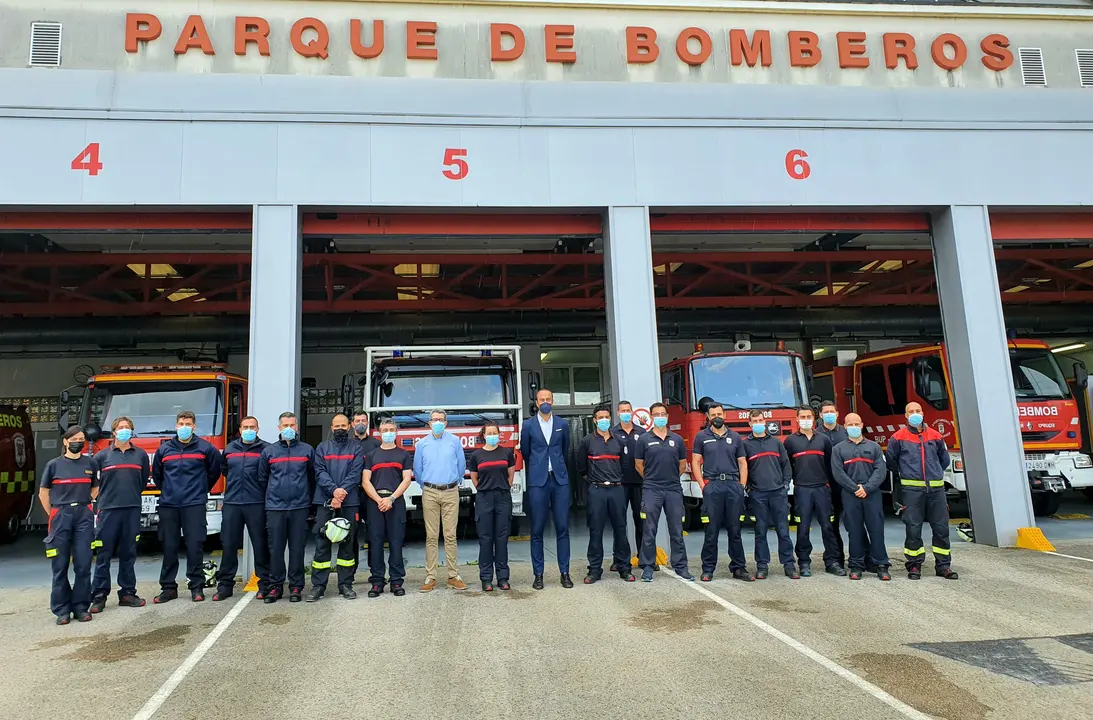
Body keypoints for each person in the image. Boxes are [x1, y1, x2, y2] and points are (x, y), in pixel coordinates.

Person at [151, 410, 223, 603]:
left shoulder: (206, 448)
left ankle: (196, 586)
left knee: (195, 546)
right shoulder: (164, 450)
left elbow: (214, 472)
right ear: (176, 426)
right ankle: (168, 587)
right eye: (181, 423)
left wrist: (200, 490)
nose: (184, 427)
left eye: (188, 423)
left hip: (194, 504)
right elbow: (158, 476)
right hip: (169, 504)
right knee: (169, 546)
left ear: (194, 426)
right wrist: (168, 491)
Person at [886, 402, 958, 581]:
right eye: (911, 411)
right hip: (911, 491)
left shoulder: (935, 435)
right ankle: (914, 565)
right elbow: (891, 462)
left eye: (917, 411)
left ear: (923, 413)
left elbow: (944, 460)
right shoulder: (898, 438)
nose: (915, 414)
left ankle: (943, 566)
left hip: (936, 490)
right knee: (913, 528)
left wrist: (933, 474)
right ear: (905, 415)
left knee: (941, 528)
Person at [89, 416, 150, 613]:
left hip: (131, 509)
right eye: (120, 427)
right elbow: (92, 483)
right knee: (103, 554)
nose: (124, 430)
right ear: (114, 432)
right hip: (107, 510)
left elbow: (141, 482)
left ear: (132, 432)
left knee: (128, 553)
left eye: (128, 427)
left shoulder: (140, 455)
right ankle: (99, 596)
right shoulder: (101, 457)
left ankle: (127, 593)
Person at [691, 402, 752, 582]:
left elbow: (742, 462)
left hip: (733, 486)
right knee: (711, 530)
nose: (717, 416)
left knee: (735, 530)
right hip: (713, 486)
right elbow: (695, 461)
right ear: (708, 417)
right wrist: (703, 485)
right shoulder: (701, 436)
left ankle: (739, 568)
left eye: (719, 413)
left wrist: (741, 485)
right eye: (713, 414)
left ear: (724, 415)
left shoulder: (735, 437)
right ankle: (708, 569)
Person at [41, 426, 96, 625]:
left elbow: (95, 486)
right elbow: (43, 493)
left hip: (83, 515)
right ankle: (62, 610)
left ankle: (81, 607)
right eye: (74, 438)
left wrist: (86, 502)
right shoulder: (53, 465)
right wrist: (55, 514)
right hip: (60, 515)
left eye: (81, 439)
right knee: (60, 565)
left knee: (83, 564)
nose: (78, 442)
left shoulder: (90, 463)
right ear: (65, 442)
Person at [259, 411, 316, 603]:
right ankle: (275, 586)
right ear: (279, 428)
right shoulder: (269, 451)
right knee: (275, 548)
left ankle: (296, 586)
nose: (289, 429)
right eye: (285, 426)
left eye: (292, 425)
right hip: (275, 507)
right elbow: (262, 478)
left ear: (297, 427)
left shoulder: (307, 450)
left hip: (299, 507)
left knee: (297, 548)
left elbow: (312, 477)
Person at [308, 413, 365, 602]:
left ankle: (345, 585)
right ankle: (318, 586)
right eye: (336, 426)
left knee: (348, 543)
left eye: (343, 425)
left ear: (349, 427)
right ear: (331, 428)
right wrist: (334, 492)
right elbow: (319, 472)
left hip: (349, 501)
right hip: (325, 500)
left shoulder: (356, 447)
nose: (340, 428)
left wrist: (340, 493)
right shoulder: (322, 448)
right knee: (322, 542)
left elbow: (355, 473)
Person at [783, 407, 846, 577]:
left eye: (808, 416)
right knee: (803, 527)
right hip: (802, 489)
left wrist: (832, 489)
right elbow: (786, 466)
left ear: (814, 418)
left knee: (828, 526)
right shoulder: (790, 441)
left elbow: (830, 466)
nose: (806, 419)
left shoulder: (823, 440)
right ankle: (804, 562)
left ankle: (832, 561)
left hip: (822, 489)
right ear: (797, 419)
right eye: (802, 417)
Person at [520, 389, 572, 590]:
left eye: (548, 399)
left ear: (553, 400)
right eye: (541, 399)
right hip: (538, 481)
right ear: (536, 401)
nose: (545, 402)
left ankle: (565, 573)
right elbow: (526, 452)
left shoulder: (562, 424)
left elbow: (565, 450)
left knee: (562, 528)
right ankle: (538, 575)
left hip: (559, 480)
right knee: (537, 530)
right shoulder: (528, 425)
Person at [634, 402, 693, 582]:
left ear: (667, 417)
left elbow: (682, 465)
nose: (660, 417)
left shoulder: (677, 439)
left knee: (676, 529)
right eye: (656, 414)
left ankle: (681, 566)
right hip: (652, 490)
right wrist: (652, 479)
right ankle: (648, 567)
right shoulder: (644, 439)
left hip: (673, 489)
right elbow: (638, 465)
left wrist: (670, 479)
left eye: (663, 414)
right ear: (651, 417)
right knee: (649, 529)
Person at [577, 405, 633, 584]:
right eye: (600, 417)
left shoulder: (619, 441)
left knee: (621, 529)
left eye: (607, 417)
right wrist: (596, 482)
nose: (604, 420)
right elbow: (581, 468)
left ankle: (624, 567)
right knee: (596, 530)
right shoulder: (587, 441)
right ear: (594, 420)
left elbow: (624, 465)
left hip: (617, 490)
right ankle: (594, 570)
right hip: (597, 490)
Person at [216, 416, 271, 601]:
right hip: (232, 503)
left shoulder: (266, 449)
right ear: (239, 430)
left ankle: (264, 584)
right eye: (245, 427)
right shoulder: (230, 448)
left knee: (260, 545)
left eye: (252, 427)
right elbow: (224, 470)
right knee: (229, 544)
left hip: (257, 503)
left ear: (258, 429)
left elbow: (268, 475)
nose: (249, 429)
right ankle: (225, 586)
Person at [414, 409, 468, 592]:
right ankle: (431, 577)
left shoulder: (454, 441)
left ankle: (453, 575)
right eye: (434, 419)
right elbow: (417, 470)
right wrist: (427, 486)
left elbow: (461, 467)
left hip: (451, 491)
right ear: (429, 423)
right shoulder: (422, 444)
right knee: (431, 536)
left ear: (446, 423)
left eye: (441, 420)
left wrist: (452, 482)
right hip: (429, 492)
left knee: (451, 535)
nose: (437, 422)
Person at [831, 413, 890, 580]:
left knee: (876, 530)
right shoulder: (838, 449)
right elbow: (838, 473)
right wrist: (854, 488)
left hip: (872, 495)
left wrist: (867, 488)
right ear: (845, 426)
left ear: (862, 424)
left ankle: (881, 564)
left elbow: (880, 471)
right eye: (850, 424)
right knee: (854, 531)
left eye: (856, 423)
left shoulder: (874, 447)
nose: (854, 426)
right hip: (850, 495)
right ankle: (856, 565)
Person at [742, 410, 798, 580]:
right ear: (750, 424)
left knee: (783, 531)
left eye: (760, 420)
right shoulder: (745, 445)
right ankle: (762, 566)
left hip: (778, 493)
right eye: (754, 421)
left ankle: (789, 565)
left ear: (764, 421)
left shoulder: (776, 443)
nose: (758, 423)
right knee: (760, 531)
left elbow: (786, 465)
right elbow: (743, 468)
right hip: (758, 494)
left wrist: (785, 485)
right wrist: (749, 489)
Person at [362, 418, 413, 597]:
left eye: (391, 429)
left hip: (395, 502)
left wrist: (391, 498)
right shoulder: (371, 455)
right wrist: (378, 500)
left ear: (396, 432)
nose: (388, 432)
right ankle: (377, 581)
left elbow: (407, 479)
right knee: (375, 543)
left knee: (396, 542)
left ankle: (396, 581)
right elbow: (365, 481)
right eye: (385, 429)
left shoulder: (403, 455)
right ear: (379, 432)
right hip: (375, 503)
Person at [468, 420, 516, 591]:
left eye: (495, 433)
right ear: (483, 435)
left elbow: (511, 474)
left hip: (503, 497)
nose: (492, 436)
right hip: (484, 498)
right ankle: (486, 578)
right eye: (489, 433)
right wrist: (482, 489)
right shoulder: (476, 455)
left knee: (501, 539)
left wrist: (505, 486)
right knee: (486, 539)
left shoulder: (506, 453)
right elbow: (474, 477)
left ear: (499, 434)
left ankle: (503, 577)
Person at [611, 400, 646, 570]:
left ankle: (645, 558)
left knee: (642, 522)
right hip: (619, 484)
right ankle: (619, 559)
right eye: (622, 410)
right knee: (620, 523)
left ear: (632, 412)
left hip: (639, 483)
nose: (626, 413)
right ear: (618, 413)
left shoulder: (642, 432)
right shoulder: (612, 433)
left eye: (628, 410)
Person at [817, 400, 849, 570]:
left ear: (837, 414)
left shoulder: (847, 432)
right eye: (825, 412)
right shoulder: (815, 435)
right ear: (820, 415)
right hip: (827, 486)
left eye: (832, 411)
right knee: (830, 524)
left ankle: (863, 558)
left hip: (847, 486)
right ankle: (835, 559)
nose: (829, 414)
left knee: (854, 523)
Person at [352, 411, 379, 567]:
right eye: (357, 420)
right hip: (353, 494)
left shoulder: (376, 444)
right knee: (352, 533)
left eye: (363, 420)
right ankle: (351, 571)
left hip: (371, 494)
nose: (360, 423)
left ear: (367, 422)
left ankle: (374, 569)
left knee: (373, 532)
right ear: (352, 424)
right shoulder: (348, 444)